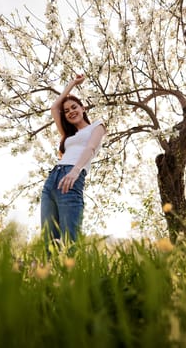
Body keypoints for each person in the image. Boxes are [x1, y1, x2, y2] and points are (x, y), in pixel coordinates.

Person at [41, 74, 106, 250]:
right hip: (52, 179)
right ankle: (49, 276)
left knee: (70, 238)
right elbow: (54, 108)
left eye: (74, 107)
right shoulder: (68, 135)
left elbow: (90, 148)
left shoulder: (97, 126)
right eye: (67, 111)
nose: (71, 112)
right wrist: (72, 84)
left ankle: (73, 276)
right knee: (49, 239)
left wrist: (75, 171)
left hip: (72, 177)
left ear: (83, 108)